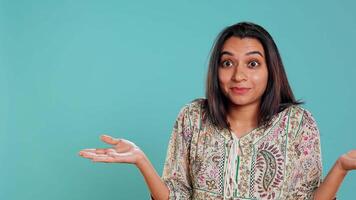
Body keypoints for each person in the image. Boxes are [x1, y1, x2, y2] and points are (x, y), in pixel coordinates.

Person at [79, 22, 356, 200]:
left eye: (253, 64)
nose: (238, 76)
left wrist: (342, 166)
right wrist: (142, 161)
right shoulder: (192, 118)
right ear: (216, 69)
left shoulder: (297, 124)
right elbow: (176, 195)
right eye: (227, 63)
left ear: (271, 70)